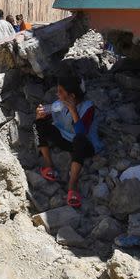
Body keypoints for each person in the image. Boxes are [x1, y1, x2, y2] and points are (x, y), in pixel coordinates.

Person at [34, 77, 101, 208]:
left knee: (79, 139)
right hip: (64, 139)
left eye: (60, 91)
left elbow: (82, 132)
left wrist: (73, 111)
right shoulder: (58, 104)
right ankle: (49, 165)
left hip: (84, 146)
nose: (57, 94)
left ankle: (72, 185)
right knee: (37, 125)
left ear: (72, 96)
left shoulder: (88, 108)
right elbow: (46, 118)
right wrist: (39, 115)